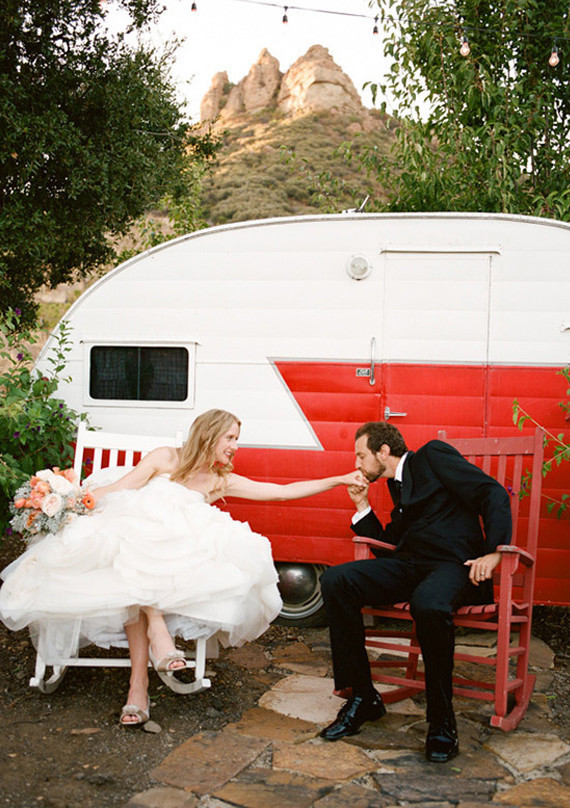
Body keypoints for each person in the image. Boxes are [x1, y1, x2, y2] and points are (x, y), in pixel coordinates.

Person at [0, 409, 365, 728]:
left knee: (139, 566)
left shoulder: (222, 480)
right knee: (137, 539)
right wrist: (72, 501)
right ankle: (153, 654)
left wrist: (338, 480)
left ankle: (139, 686)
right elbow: (122, 488)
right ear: (209, 433)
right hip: (129, 540)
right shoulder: (164, 458)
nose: (235, 446)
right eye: (231, 437)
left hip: (172, 563)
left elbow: (281, 492)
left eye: (237, 439)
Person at [319, 421, 512, 762]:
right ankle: (363, 697)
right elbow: (391, 545)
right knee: (337, 580)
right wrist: (362, 506)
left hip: (453, 566)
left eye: (361, 455)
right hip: (411, 567)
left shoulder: (432, 456)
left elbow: (491, 492)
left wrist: (494, 551)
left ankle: (441, 721)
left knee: (428, 604)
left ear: (383, 451)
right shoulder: (398, 486)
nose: (357, 465)